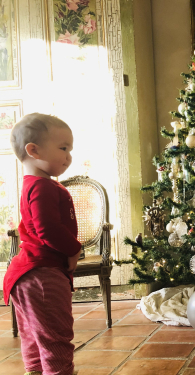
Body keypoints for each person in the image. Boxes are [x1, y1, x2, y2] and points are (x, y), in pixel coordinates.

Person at [4, 113, 81, 375]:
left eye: (69, 149)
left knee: (35, 338)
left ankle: (35, 372)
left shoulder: (32, 184)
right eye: (63, 148)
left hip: (26, 275)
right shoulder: (43, 187)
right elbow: (47, 229)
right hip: (42, 275)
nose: (68, 156)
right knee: (56, 340)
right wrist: (74, 248)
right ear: (34, 151)